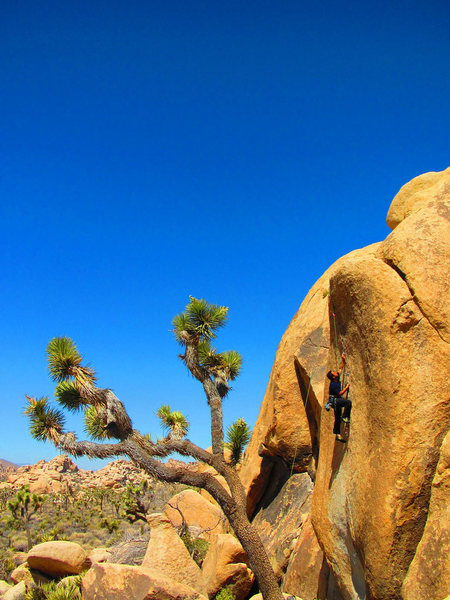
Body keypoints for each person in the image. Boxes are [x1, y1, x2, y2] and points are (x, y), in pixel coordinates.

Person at [326, 353, 351, 442]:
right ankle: (345, 417)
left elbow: (340, 368)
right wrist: (347, 388)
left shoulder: (337, 378)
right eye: (334, 373)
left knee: (337, 418)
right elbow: (340, 393)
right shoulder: (333, 384)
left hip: (336, 401)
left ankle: (337, 434)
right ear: (333, 377)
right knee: (348, 403)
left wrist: (343, 359)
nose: (336, 372)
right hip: (335, 401)